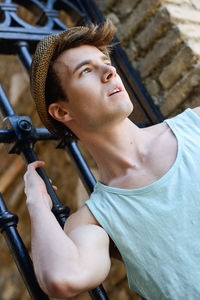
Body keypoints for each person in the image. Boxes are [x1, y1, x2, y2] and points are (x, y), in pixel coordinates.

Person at [24, 20, 200, 300]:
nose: (110, 71)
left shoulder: (197, 125)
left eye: (105, 62)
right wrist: (36, 203)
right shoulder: (95, 220)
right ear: (61, 111)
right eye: (86, 71)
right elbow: (62, 279)